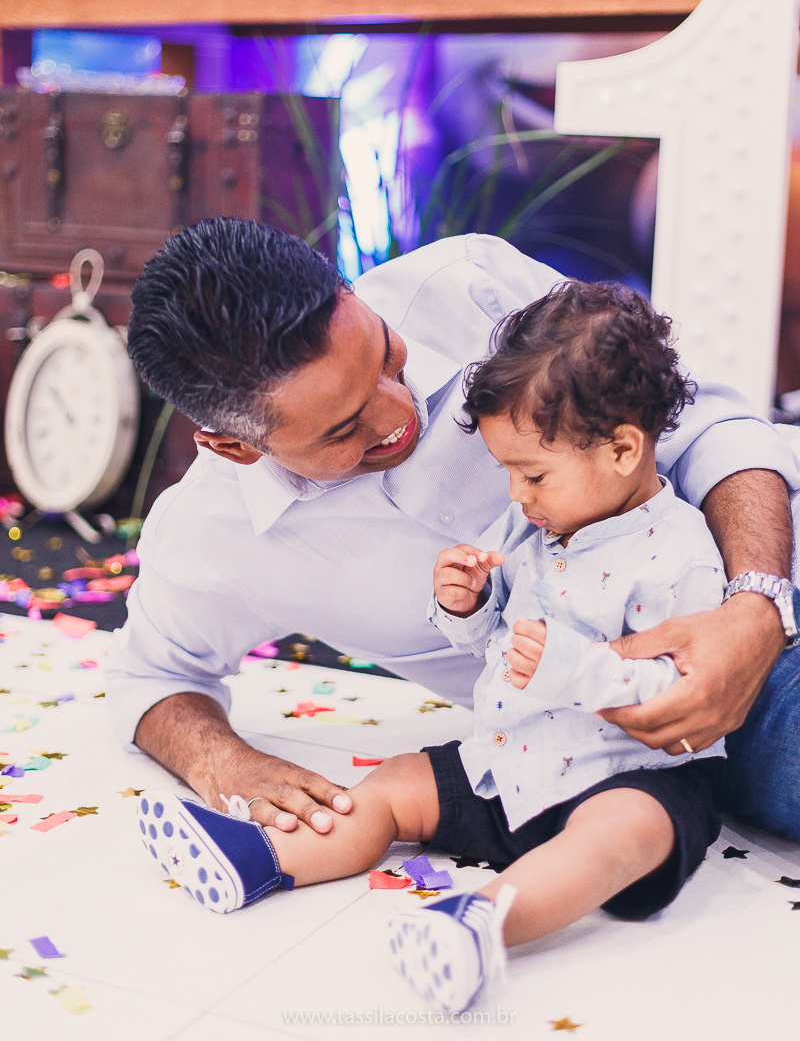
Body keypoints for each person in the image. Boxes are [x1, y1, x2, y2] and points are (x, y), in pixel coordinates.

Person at [135, 283, 729, 1014]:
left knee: (617, 838)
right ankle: (261, 858)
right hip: (507, 761)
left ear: (624, 450)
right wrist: (469, 604)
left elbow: (690, 688)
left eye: (531, 475)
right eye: (509, 473)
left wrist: (575, 670)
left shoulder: (679, 554)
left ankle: (481, 925)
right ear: (235, 444)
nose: (514, 496)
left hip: (630, 773)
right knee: (395, 785)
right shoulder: (534, 530)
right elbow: (493, 639)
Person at [108, 218, 800, 844]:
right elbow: (149, 677)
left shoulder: (473, 288)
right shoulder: (210, 536)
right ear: (235, 446)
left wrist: (758, 605)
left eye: (386, 355)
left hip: (759, 572)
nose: (397, 412)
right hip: (657, 727)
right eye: (344, 429)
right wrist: (224, 761)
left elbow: (710, 430)